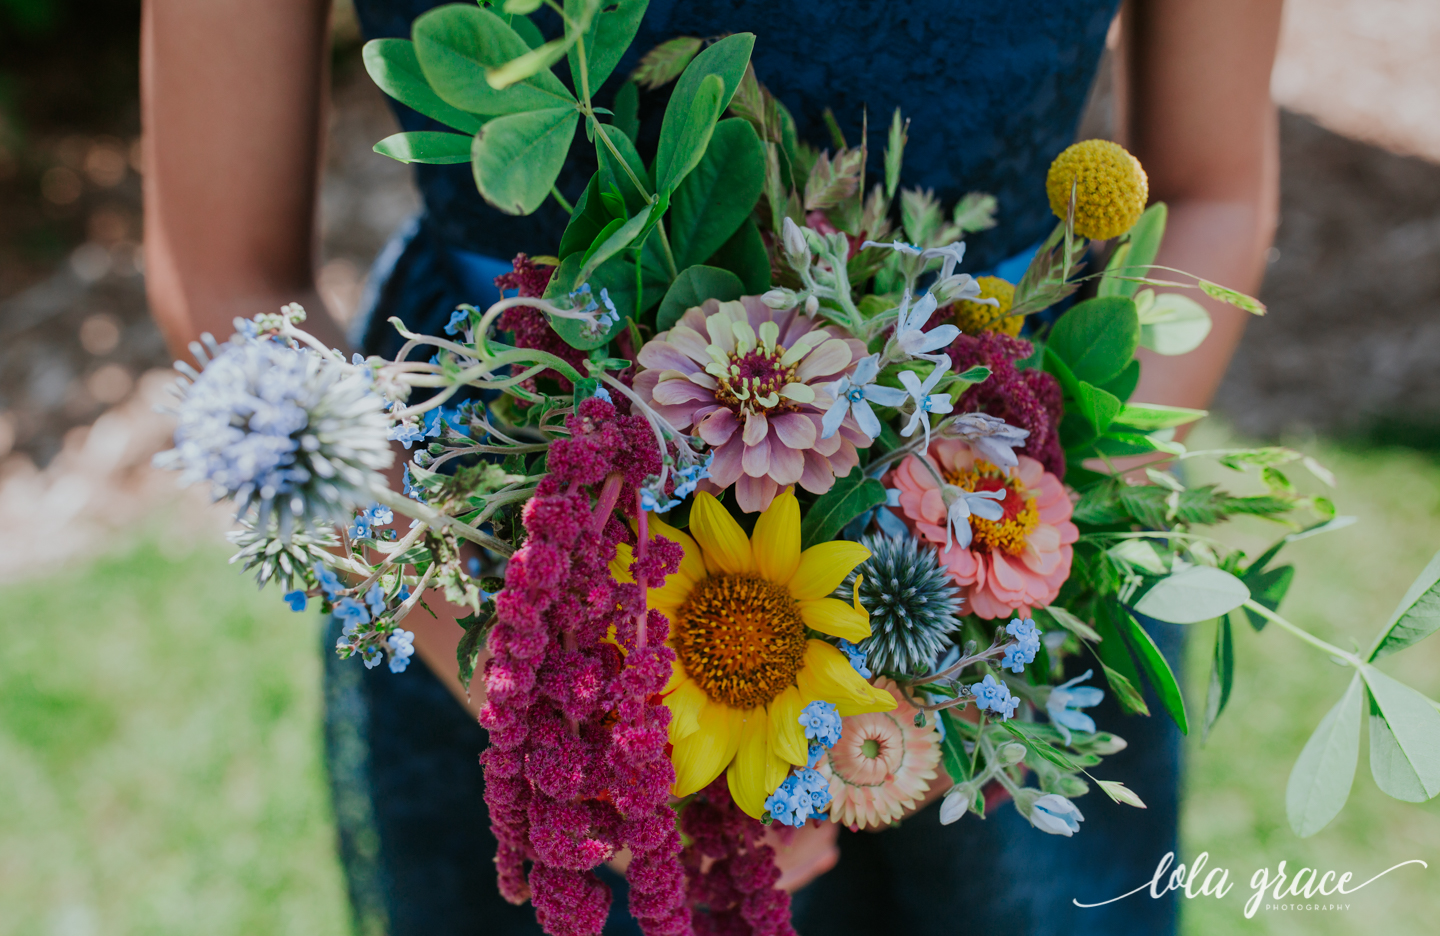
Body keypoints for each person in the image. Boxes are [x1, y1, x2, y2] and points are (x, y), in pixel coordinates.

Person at [141, 1, 1283, 933]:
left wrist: (983, 581)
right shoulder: (516, 632)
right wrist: (529, 669)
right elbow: (227, 276)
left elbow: (1214, 187)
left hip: (992, 550)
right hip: (506, 539)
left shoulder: (993, 577)